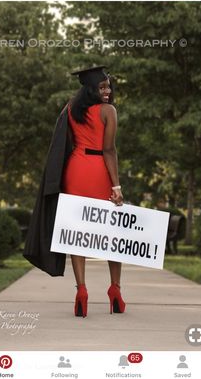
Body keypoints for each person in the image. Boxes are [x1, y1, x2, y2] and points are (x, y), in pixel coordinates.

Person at [62, 66, 125, 318]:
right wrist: (117, 186)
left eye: (109, 86)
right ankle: (116, 290)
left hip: (75, 170)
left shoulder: (70, 109)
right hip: (99, 170)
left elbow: (64, 142)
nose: (107, 91)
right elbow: (109, 150)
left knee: (77, 233)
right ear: (90, 89)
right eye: (102, 87)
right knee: (112, 232)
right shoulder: (108, 111)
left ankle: (81, 291)